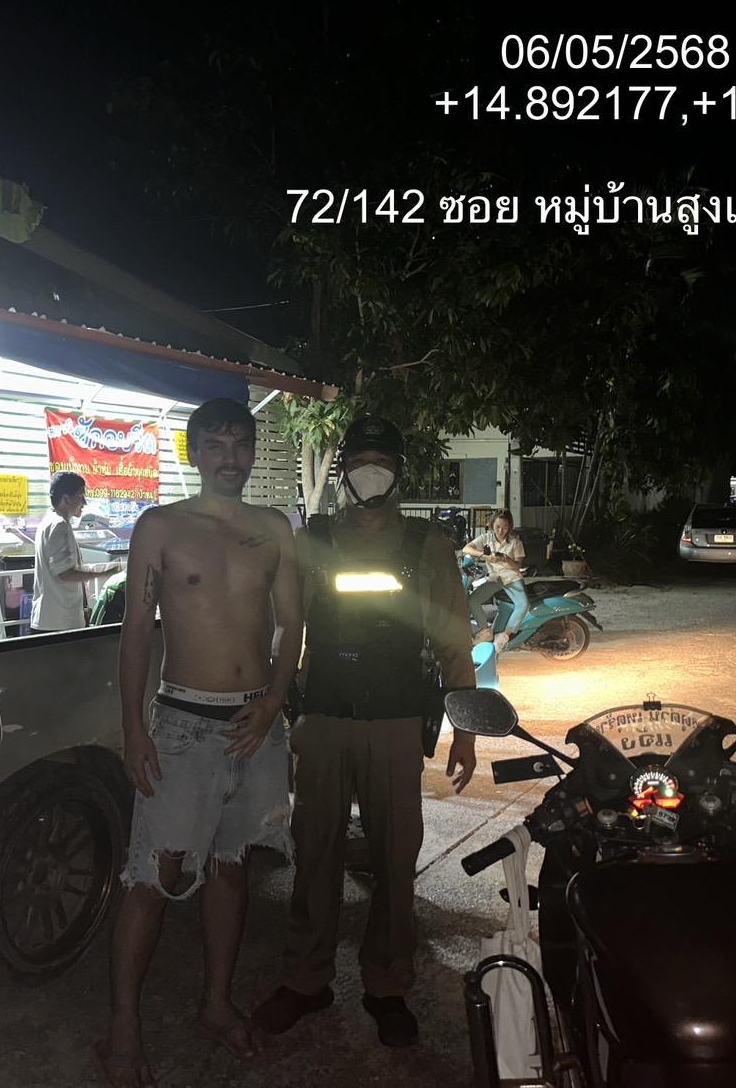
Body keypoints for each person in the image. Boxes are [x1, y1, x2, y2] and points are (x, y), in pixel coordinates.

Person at [93, 398, 302, 1088]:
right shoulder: (160, 527)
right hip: (183, 724)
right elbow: (135, 630)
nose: (229, 458)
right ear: (194, 453)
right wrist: (133, 727)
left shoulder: (274, 529)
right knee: (154, 876)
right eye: (215, 444)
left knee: (231, 866)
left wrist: (274, 700)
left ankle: (215, 1003)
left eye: (240, 444)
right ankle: (122, 1026)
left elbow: (292, 622)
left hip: (255, 725)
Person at [251, 415, 478, 1049]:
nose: (369, 472)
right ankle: (306, 979)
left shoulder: (428, 545)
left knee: (395, 859)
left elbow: (453, 637)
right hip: (323, 719)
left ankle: (387, 984)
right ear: (343, 470)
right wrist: (276, 703)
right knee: (314, 853)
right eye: (359, 461)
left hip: (396, 723)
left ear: (400, 471)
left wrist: (465, 726)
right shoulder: (313, 539)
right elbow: (287, 629)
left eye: (382, 461)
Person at [31, 471, 125, 633]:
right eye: (81, 496)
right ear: (66, 499)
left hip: (52, 618)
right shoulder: (60, 526)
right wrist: (105, 572)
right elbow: (65, 574)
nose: (84, 502)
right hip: (60, 621)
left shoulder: (49, 522)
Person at [460, 509, 526, 640]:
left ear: (509, 527)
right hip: (495, 579)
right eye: (497, 527)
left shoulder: (515, 542)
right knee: (472, 600)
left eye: (505, 527)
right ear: (492, 525)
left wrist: (506, 559)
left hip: (511, 579)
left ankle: (505, 635)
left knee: (523, 605)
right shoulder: (486, 538)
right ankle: (485, 631)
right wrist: (485, 556)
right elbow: (466, 549)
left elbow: (517, 566)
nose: (501, 531)